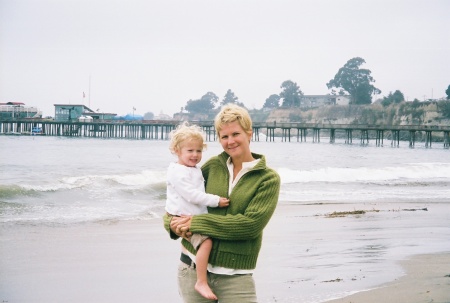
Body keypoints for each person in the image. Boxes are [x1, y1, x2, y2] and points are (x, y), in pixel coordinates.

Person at [164, 104, 281, 303]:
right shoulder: (212, 167)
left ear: (249, 133)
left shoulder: (267, 179)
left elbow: (249, 226)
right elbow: (179, 200)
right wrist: (172, 224)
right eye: (224, 137)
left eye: (236, 134)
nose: (230, 141)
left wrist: (195, 223)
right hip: (191, 269)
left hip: (236, 277)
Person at [165, 122, 230, 300]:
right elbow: (192, 195)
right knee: (206, 242)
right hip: (182, 217)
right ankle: (201, 281)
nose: (195, 155)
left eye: (199, 151)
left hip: (190, 216)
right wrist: (216, 201)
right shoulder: (178, 172)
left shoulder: (193, 169)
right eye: (190, 151)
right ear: (177, 151)